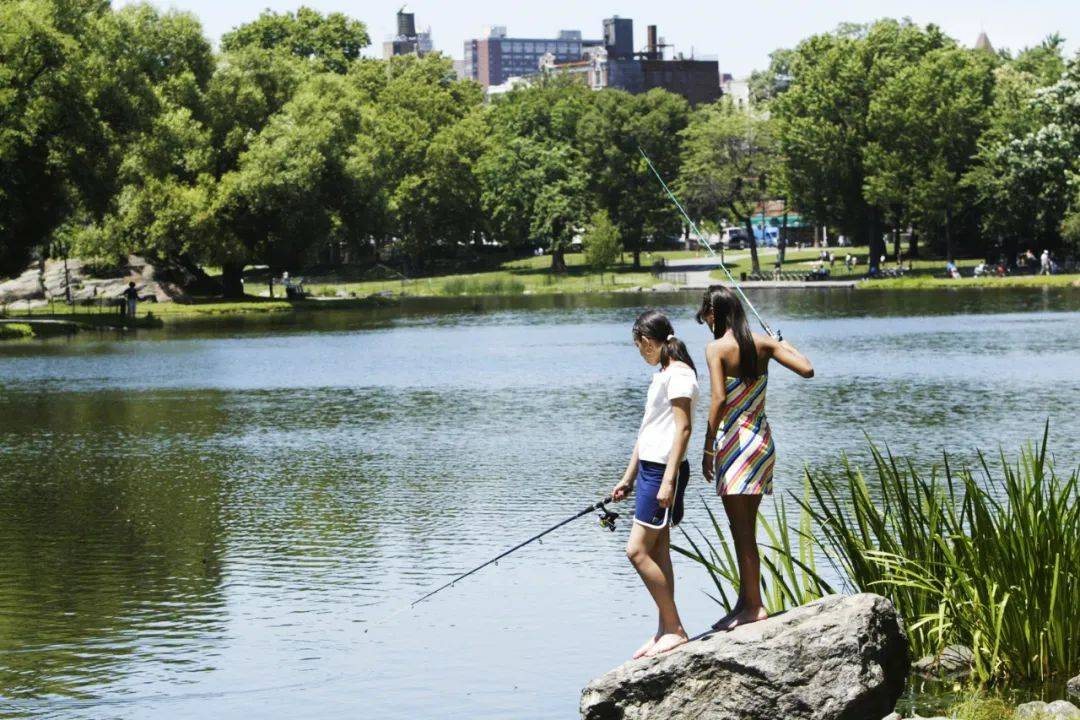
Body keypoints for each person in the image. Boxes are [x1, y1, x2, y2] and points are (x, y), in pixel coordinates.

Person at [696, 286, 814, 630]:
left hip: (734, 444)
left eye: (705, 316)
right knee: (745, 529)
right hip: (761, 443)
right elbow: (807, 369)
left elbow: (719, 399)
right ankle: (745, 602)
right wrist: (782, 342)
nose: (705, 322)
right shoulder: (764, 344)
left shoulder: (716, 349)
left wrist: (707, 446)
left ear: (714, 315)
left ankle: (754, 606)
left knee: (741, 530)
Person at [611, 310, 699, 659]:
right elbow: (647, 431)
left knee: (636, 551)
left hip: (663, 472)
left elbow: (684, 429)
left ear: (648, 342)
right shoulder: (662, 375)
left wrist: (668, 481)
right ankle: (664, 628)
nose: (641, 354)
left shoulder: (680, 375)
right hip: (649, 470)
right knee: (658, 552)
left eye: (639, 347)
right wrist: (627, 477)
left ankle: (675, 627)